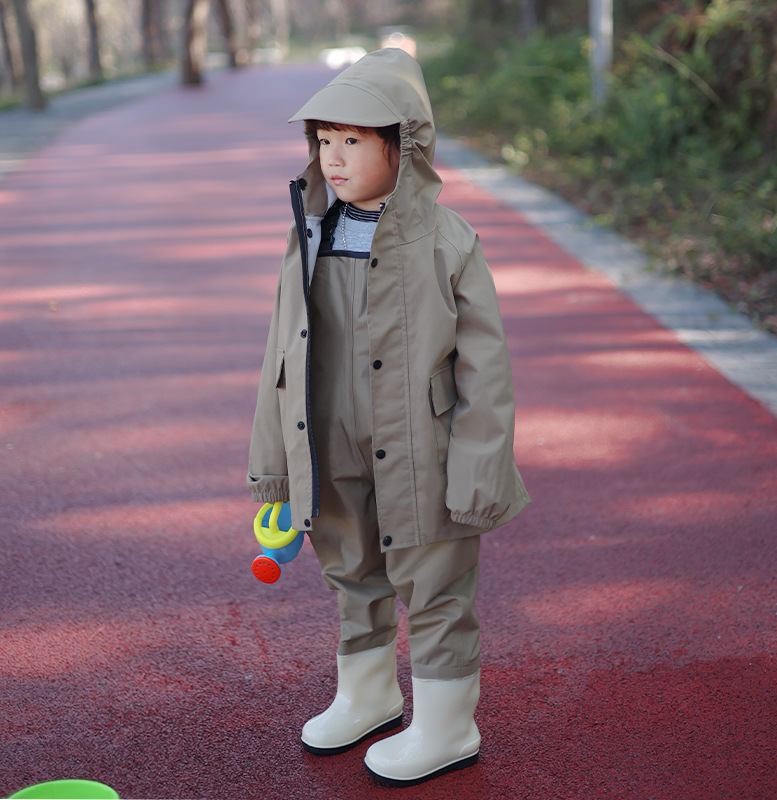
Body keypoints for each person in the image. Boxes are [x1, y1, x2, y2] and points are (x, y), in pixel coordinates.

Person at [248, 47, 530, 786]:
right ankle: (367, 693)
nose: (334, 159)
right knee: (349, 567)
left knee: (433, 579)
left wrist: (479, 469)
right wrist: (274, 463)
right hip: (329, 437)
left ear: (403, 146)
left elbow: (486, 369)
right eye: (325, 141)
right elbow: (282, 351)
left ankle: (446, 724)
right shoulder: (311, 232)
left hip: (421, 446)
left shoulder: (446, 242)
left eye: (353, 140)